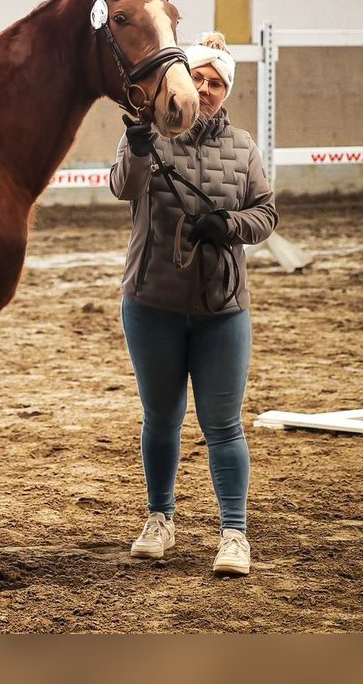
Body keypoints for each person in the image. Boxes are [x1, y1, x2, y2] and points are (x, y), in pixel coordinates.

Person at [109, 31, 278, 576]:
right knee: (161, 417)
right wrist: (137, 148)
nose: (205, 89)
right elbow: (123, 188)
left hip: (222, 309)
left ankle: (234, 533)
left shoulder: (244, 146)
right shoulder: (149, 135)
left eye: (217, 82)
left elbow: (266, 214)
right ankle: (160, 517)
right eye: (199, 77)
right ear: (184, 79)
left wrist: (227, 224)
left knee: (224, 424)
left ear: (226, 92)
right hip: (151, 302)